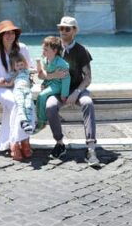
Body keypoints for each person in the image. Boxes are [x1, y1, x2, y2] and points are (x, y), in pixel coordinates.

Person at [44, 16, 100, 168]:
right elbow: (45, 71)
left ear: (74, 31)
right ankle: (60, 142)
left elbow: (88, 78)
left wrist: (77, 92)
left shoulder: (82, 51)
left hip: (77, 89)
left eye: (67, 28)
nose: (63, 31)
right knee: (49, 106)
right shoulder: (54, 48)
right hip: (58, 90)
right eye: (61, 28)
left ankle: (91, 148)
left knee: (87, 102)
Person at [0, 19, 34, 160]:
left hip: (19, 86)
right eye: (6, 33)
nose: (10, 35)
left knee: (25, 104)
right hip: (1, 89)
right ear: (1, 37)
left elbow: (29, 69)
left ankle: (16, 141)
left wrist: (22, 78)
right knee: (15, 103)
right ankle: (20, 141)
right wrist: (4, 83)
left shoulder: (23, 48)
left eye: (12, 33)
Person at [35, 36, 70, 131]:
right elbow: (42, 73)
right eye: (43, 49)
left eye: (46, 50)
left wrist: (64, 94)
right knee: (40, 96)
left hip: (57, 85)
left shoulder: (61, 63)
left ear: (54, 50)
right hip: (49, 82)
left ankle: (42, 121)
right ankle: (39, 118)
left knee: (42, 96)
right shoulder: (45, 59)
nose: (43, 52)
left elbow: (66, 79)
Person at [7, 52, 36, 136]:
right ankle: (23, 121)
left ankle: (29, 123)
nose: (20, 67)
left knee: (28, 105)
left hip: (27, 90)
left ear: (24, 64)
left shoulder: (26, 71)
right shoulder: (13, 74)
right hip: (18, 90)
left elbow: (36, 70)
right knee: (20, 104)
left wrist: (38, 63)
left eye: (21, 64)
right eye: (17, 65)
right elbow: (8, 82)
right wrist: (2, 80)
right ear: (13, 66)